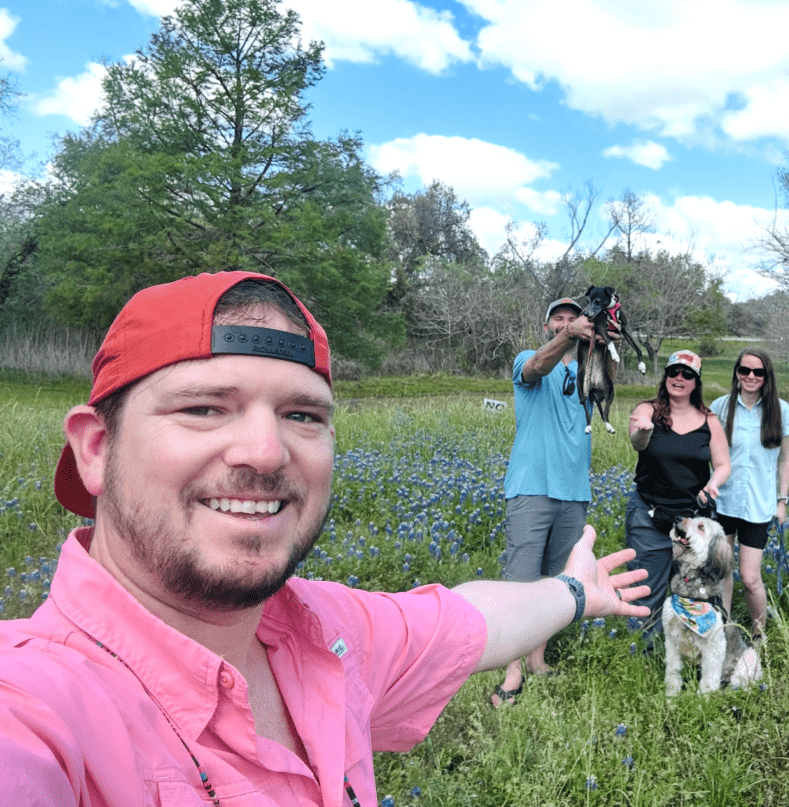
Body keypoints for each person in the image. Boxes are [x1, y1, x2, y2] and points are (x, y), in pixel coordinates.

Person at [0, 271, 649, 807]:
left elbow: (472, 616)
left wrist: (571, 590)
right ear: (94, 449)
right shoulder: (34, 705)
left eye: (301, 414)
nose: (264, 450)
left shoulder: (330, 631)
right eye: (204, 407)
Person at [492, 296, 606, 708]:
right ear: (548, 327)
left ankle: (537, 659)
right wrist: (568, 336)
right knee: (519, 581)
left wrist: (604, 327)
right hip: (532, 485)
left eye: (573, 319)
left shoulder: (585, 373)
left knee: (555, 583)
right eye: (558, 319)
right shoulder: (531, 359)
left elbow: (607, 371)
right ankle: (511, 670)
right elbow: (537, 365)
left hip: (574, 491)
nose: (566, 324)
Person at [626, 349, 730, 634]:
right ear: (666, 377)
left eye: (687, 375)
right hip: (649, 513)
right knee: (647, 585)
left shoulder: (709, 420)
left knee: (692, 590)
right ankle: (642, 653)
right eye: (673, 372)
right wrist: (644, 431)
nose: (679, 378)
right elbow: (636, 441)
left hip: (690, 519)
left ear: (696, 383)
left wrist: (713, 484)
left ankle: (687, 650)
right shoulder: (647, 410)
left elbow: (722, 464)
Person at [710, 347, 789, 637]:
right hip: (722, 502)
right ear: (736, 373)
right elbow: (706, 451)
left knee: (750, 578)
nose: (751, 376)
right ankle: (722, 632)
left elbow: (785, 458)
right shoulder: (721, 407)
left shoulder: (780, 409)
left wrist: (782, 501)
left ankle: (759, 635)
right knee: (722, 572)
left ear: (766, 376)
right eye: (744, 370)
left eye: (758, 372)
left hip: (758, 507)